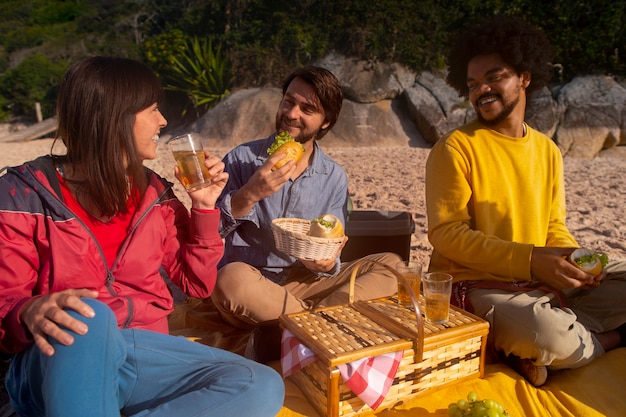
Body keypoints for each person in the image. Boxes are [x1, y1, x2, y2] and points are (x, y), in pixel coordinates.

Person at [0, 56, 284, 417]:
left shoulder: (156, 195)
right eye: (152, 109)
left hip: (143, 352)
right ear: (112, 117)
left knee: (260, 385)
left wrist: (204, 208)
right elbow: (5, 301)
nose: (163, 121)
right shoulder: (21, 196)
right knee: (90, 316)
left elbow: (197, 284)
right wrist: (27, 310)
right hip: (63, 354)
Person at [425, 15, 626, 387]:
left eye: (494, 77)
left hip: (540, 282)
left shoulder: (548, 151)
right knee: (547, 333)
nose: (481, 89)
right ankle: (607, 339)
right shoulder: (455, 148)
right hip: (478, 286)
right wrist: (530, 260)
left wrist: (571, 263)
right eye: (472, 84)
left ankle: (539, 347)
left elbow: (553, 225)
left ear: (525, 77)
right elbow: (446, 234)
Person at [212, 66, 401, 362]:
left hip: (306, 284)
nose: (291, 113)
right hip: (253, 285)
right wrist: (249, 193)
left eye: (307, 108)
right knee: (229, 280)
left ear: (325, 122)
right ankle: (326, 325)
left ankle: (303, 326)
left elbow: (332, 247)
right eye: (289, 101)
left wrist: (326, 264)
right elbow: (207, 235)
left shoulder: (333, 176)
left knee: (393, 266)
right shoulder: (241, 159)